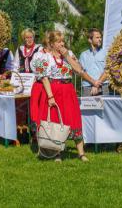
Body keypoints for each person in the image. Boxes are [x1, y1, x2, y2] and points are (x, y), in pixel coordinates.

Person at [31, 30, 97, 162]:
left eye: (62, 41)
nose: (61, 43)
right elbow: (44, 78)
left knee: (74, 120)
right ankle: (57, 153)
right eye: (58, 41)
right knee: (56, 121)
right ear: (52, 43)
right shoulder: (45, 57)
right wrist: (50, 97)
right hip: (54, 90)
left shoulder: (69, 54)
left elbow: (79, 70)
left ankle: (81, 153)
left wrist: (66, 55)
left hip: (68, 91)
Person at [79, 29, 109, 96]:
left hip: (103, 86)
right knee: (87, 106)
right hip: (87, 87)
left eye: (100, 37)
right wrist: (93, 82)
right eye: (97, 37)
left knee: (104, 106)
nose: (100, 39)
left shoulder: (106, 53)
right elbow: (81, 72)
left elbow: (108, 70)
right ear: (90, 40)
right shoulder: (83, 55)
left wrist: (96, 84)